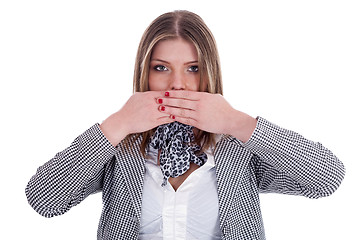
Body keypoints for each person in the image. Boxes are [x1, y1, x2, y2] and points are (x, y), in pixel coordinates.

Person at [25, 10, 345, 240]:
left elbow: (326, 179)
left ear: (210, 73)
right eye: (162, 67)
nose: (177, 85)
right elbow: (43, 199)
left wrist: (236, 121)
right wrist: (119, 123)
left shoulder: (236, 145)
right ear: (144, 73)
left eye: (193, 68)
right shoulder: (119, 145)